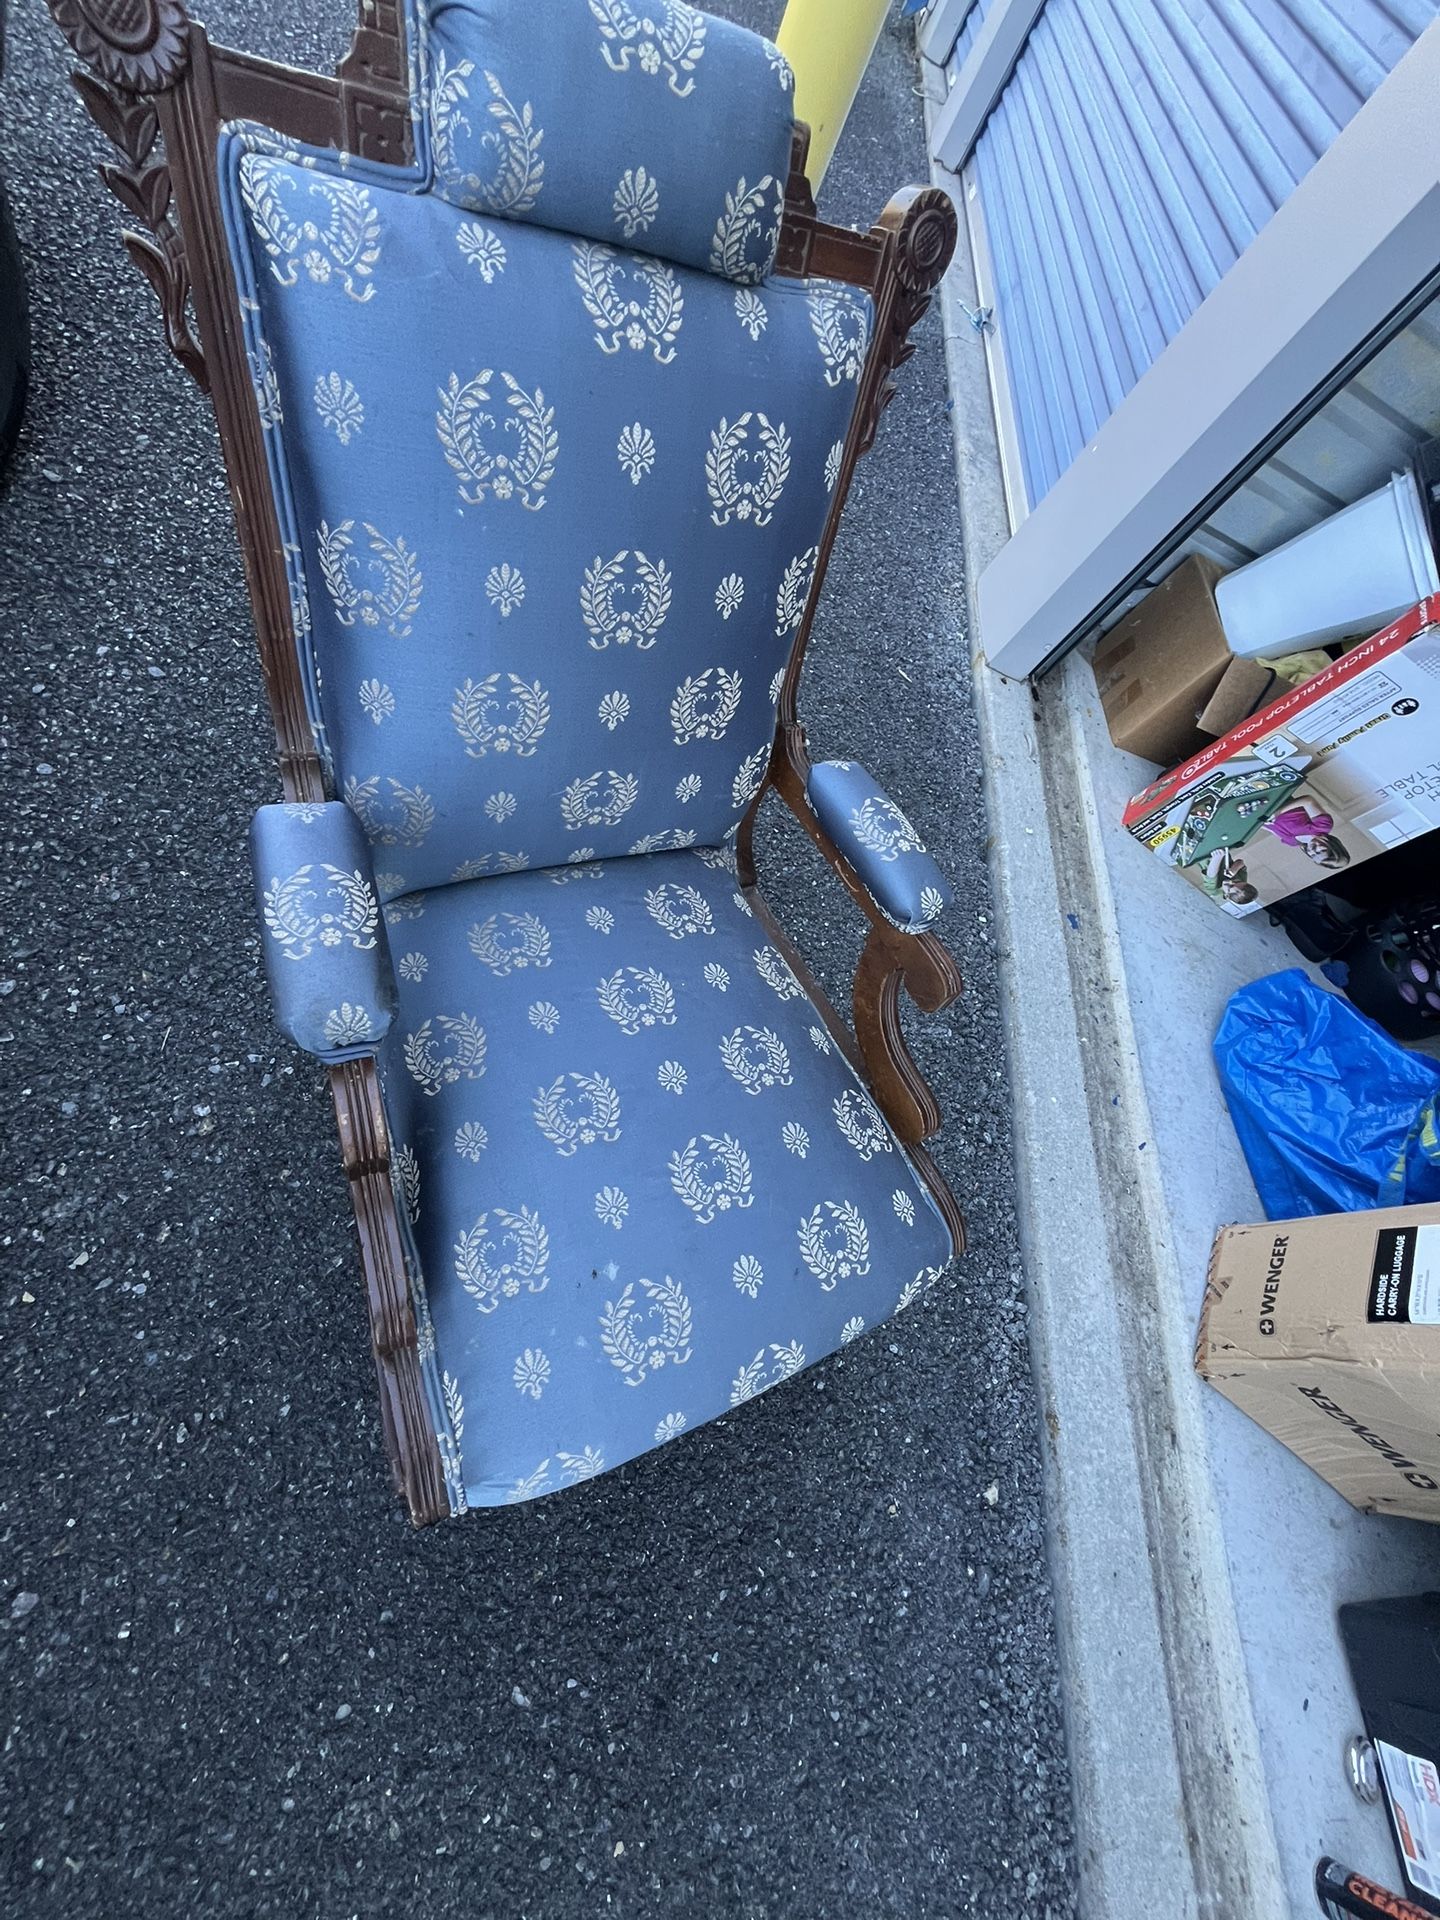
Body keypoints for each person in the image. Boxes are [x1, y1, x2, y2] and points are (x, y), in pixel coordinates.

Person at [1260, 801, 1351, 868]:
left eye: (1313, 855)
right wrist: (1277, 813)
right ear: (1333, 846)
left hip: (1256, 810)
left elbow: (1269, 828)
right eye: (1320, 851)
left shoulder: (1293, 843)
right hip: (1272, 799)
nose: (1313, 851)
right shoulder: (1324, 826)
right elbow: (1307, 801)